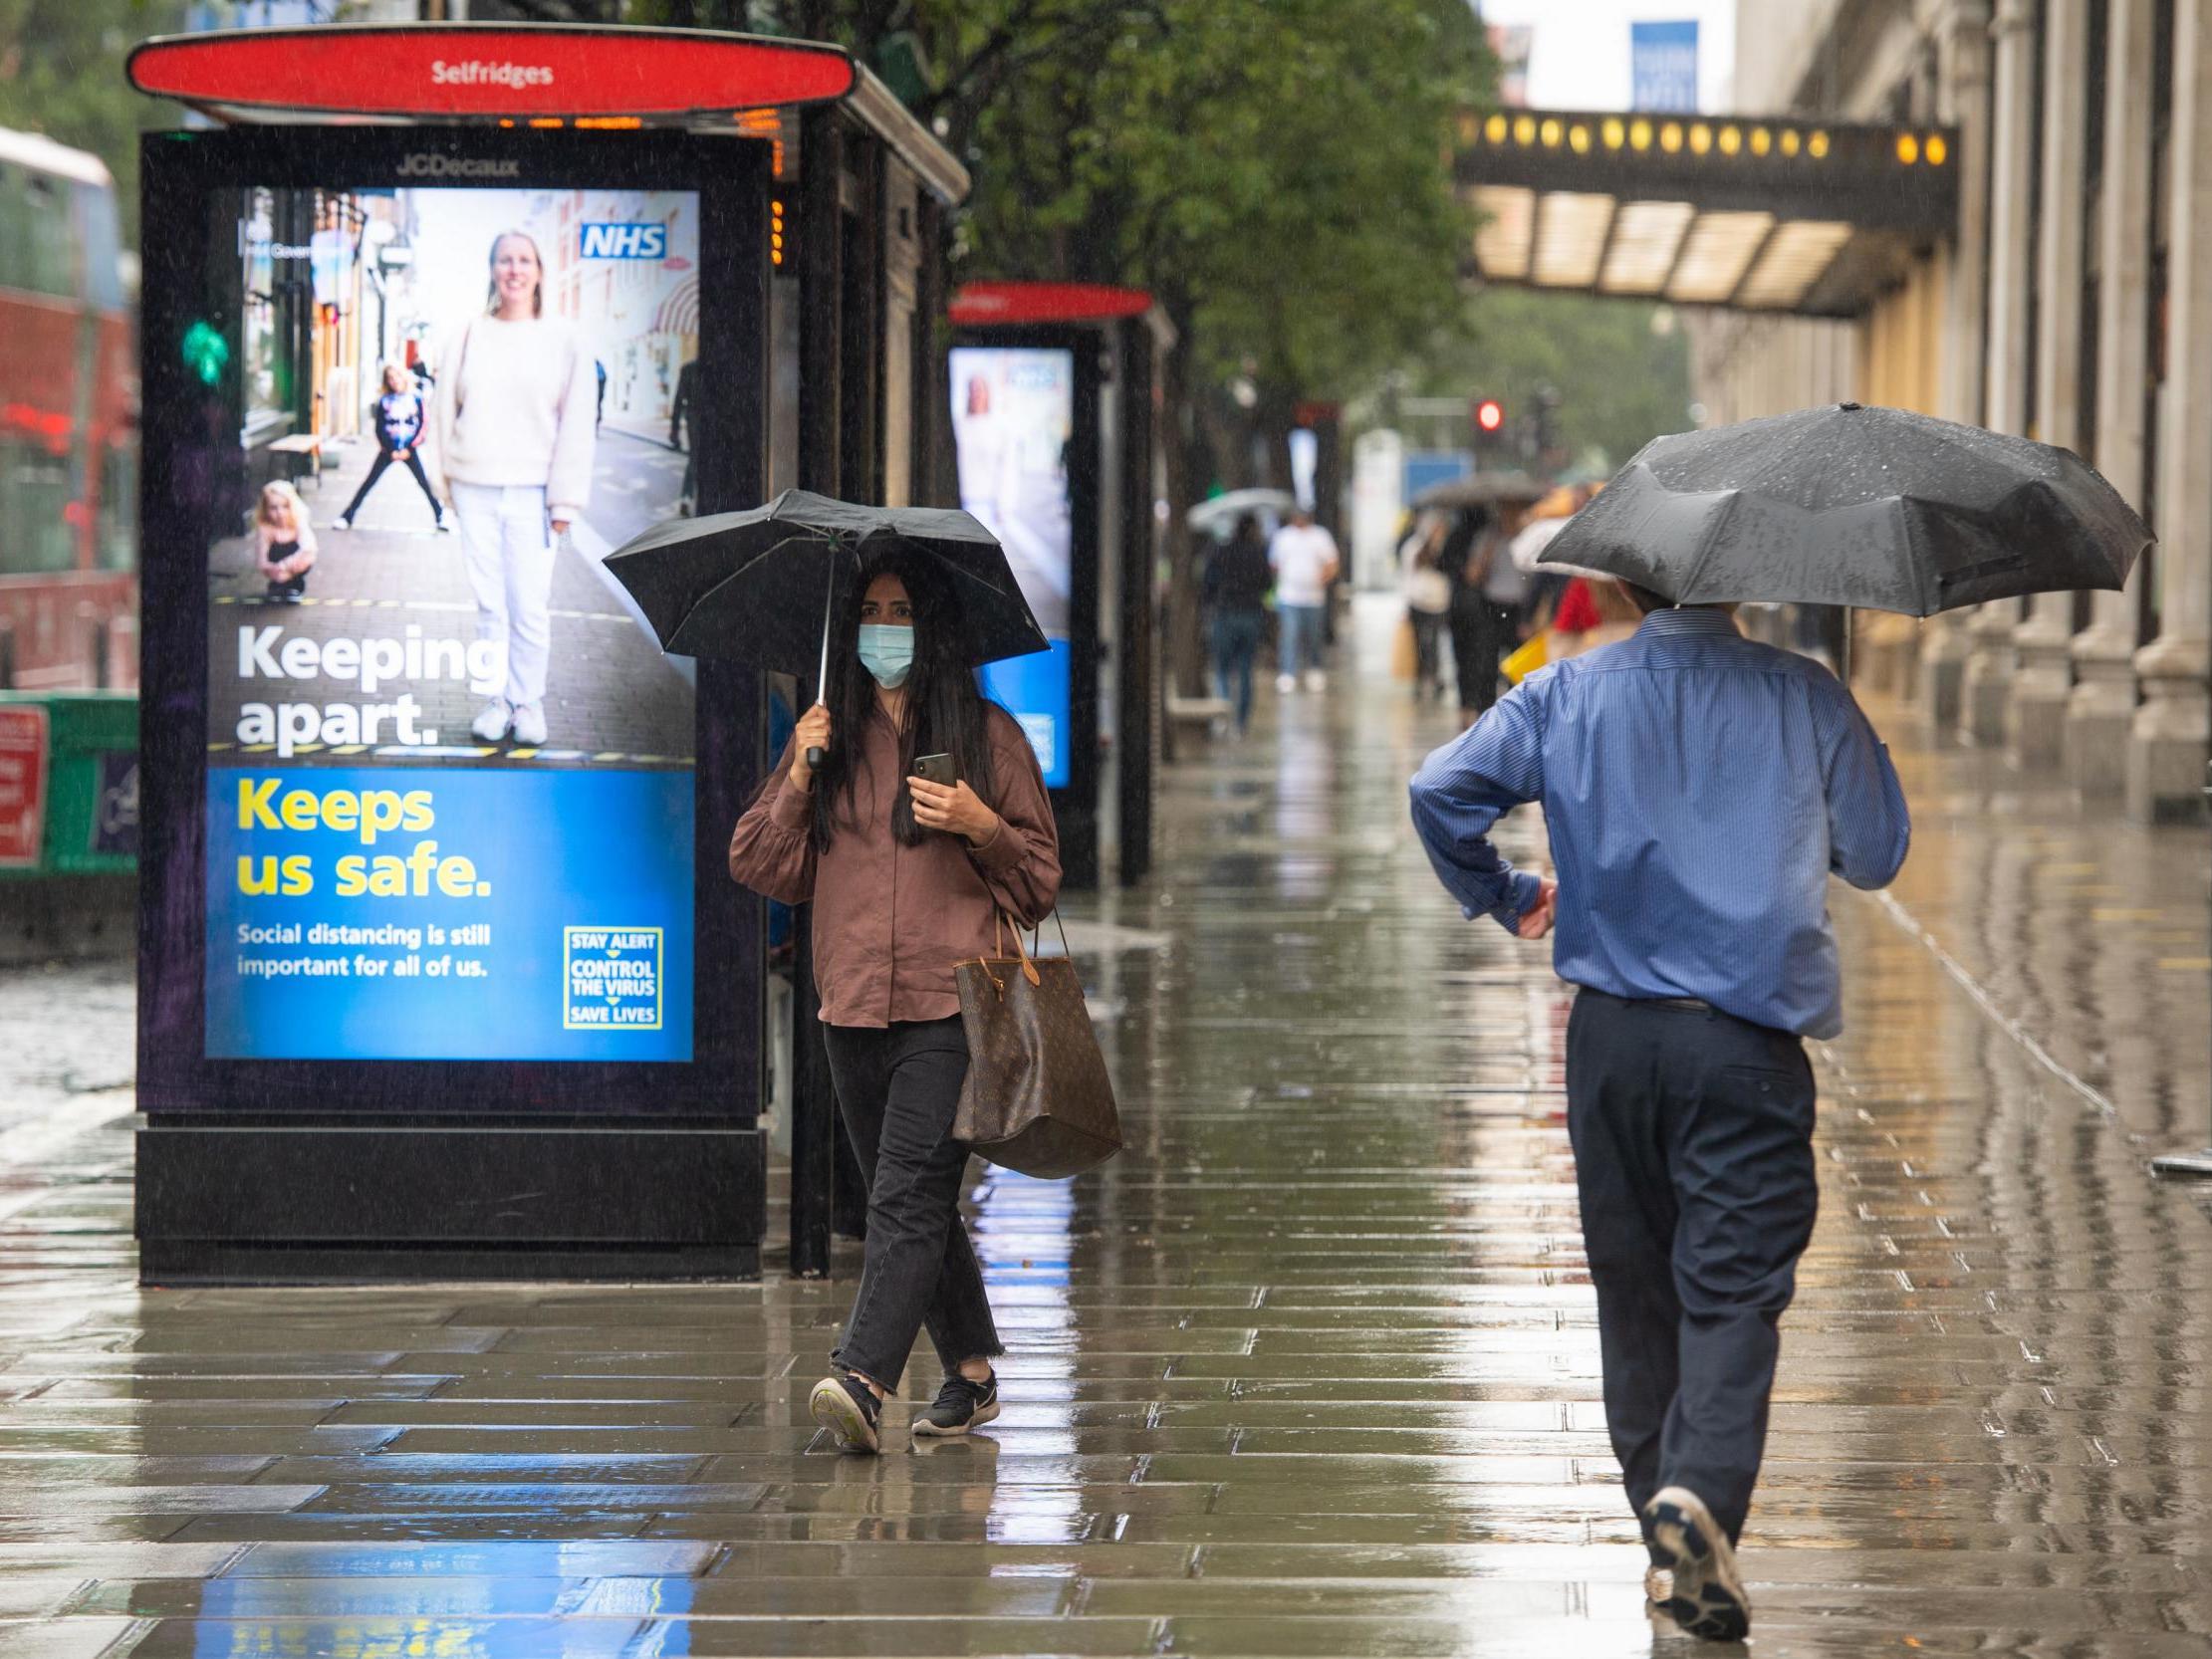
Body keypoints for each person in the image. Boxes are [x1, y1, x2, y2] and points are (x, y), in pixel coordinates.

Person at [1407, 587, 1909, 1643]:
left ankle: (1667, 1540)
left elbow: (1438, 790)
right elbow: (1875, 852)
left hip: (1611, 1045)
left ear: (1627, 585)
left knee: (1634, 1292)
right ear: (1740, 581)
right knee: (1730, 1291)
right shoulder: (1803, 692)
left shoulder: (1564, 691)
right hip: (1743, 1049)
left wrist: (1504, 893)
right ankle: (1699, 1501)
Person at [727, 548, 1062, 1457]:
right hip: (849, 1004)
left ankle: (862, 1378)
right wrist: (798, 775)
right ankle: (975, 1374)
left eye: (903, 612)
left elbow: (1037, 883)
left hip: (952, 1001)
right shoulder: (826, 741)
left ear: (935, 627)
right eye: (872, 612)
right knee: (907, 1195)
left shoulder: (987, 738)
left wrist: (980, 826)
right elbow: (758, 865)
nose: (886, 630)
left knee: (905, 1199)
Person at [432, 229, 597, 749]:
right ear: (492, 269)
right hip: (474, 487)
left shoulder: (564, 340)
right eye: (505, 260)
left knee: (528, 605)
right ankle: (494, 701)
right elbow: (441, 413)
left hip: (533, 492)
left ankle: (527, 703)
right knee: (489, 606)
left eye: (525, 260)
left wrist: (565, 500)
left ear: (540, 271)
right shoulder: (467, 334)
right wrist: (445, 487)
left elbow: (576, 423)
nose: (515, 269)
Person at [334, 364, 446, 533]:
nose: (394, 381)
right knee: (369, 482)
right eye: (390, 378)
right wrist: (390, 449)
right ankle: (347, 516)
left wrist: (410, 446)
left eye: (397, 377)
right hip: (389, 450)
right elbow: (379, 427)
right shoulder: (385, 400)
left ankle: (441, 516)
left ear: (404, 377)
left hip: (410, 449)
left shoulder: (416, 397)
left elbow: (424, 424)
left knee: (425, 483)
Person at [1203, 515, 1273, 735]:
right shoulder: (1259, 553)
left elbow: (1209, 581)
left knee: (1222, 669)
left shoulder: (1221, 551)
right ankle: (1241, 722)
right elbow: (1268, 583)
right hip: (1251, 615)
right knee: (1245, 670)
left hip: (1225, 614)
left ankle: (1223, 714)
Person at [1436, 505, 1505, 728]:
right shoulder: (1486, 537)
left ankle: (1465, 707)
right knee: (1482, 660)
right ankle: (1481, 708)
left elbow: (1440, 565)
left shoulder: (1454, 536)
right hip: (1482, 609)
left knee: (1462, 658)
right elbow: (1475, 575)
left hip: (1457, 607)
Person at [1267, 507, 1340, 693]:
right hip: (1289, 596)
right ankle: (1288, 672)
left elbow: (1332, 563)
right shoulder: (1283, 537)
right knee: (1289, 635)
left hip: (1314, 597)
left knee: (1314, 636)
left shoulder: (1320, 536)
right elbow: (1274, 563)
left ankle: (1315, 669)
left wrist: (1320, 579)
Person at [1398, 513, 1451, 701]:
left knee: (1434, 643)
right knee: (1421, 643)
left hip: (1439, 603)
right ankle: (1422, 678)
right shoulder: (1413, 547)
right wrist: (1405, 605)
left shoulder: (1445, 547)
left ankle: (1434, 677)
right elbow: (1406, 577)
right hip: (1418, 602)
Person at [253, 480, 318, 602]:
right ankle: (277, 585)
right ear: (265, 509)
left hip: (297, 563)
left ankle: (294, 585)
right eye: (273, 508)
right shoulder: (265, 528)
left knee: (301, 551)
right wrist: (271, 568)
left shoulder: (298, 523)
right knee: (275, 554)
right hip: (275, 567)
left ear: (292, 506)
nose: (280, 513)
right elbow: (262, 555)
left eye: (285, 506)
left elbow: (308, 549)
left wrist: (285, 566)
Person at [669, 356, 698, 515]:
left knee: (695, 459)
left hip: (694, 420)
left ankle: (686, 498)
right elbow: (679, 400)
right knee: (699, 459)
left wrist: (674, 429)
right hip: (707, 421)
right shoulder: (692, 369)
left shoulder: (689, 368)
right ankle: (687, 497)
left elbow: (678, 400)